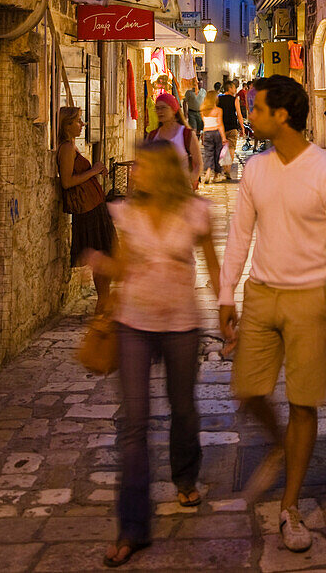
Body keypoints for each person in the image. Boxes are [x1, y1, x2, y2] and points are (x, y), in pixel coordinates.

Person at [219, 75, 326, 553]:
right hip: (261, 293)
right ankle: (280, 444)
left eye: (256, 108)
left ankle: (290, 506)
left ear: (282, 116)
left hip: (308, 298)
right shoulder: (255, 170)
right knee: (249, 388)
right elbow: (240, 234)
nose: (250, 114)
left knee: (304, 402)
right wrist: (225, 294)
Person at [84, 140, 220, 569]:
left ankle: (184, 476)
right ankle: (132, 527)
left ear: (160, 170)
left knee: (184, 409)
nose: (134, 171)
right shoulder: (129, 213)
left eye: (141, 165)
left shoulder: (195, 212)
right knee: (134, 424)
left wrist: (229, 312)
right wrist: (104, 267)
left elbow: (214, 266)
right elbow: (124, 266)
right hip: (133, 325)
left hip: (181, 325)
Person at [56, 106, 114, 313]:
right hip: (87, 208)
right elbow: (67, 182)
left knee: (105, 255)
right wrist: (93, 171)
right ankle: (103, 304)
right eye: (78, 121)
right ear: (67, 125)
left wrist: (93, 172)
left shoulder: (72, 146)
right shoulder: (66, 149)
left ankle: (104, 302)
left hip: (94, 204)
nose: (82, 125)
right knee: (100, 256)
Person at [147, 93, 202, 190]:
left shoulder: (187, 135)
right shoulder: (153, 135)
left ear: (173, 109)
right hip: (156, 193)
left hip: (181, 192)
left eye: (163, 108)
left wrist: (191, 180)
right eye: (157, 108)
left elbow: (198, 164)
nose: (159, 112)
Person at [218, 80, 245, 180]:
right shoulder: (235, 99)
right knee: (232, 148)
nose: (235, 89)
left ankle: (225, 168)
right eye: (234, 87)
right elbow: (239, 114)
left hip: (221, 127)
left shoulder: (218, 99)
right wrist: (242, 127)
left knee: (223, 148)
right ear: (229, 88)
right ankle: (227, 170)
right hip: (232, 127)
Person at [200, 89, 225, 184]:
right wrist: (223, 137)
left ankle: (208, 171)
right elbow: (220, 124)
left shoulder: (203, 110)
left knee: (208, 153)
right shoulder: (218, 110)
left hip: (206, 133)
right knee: (217, 154)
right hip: (216, 132)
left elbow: (204, 123)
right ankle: (216, 175)